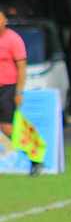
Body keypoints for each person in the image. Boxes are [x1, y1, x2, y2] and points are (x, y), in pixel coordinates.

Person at [0, 8, 27, 141]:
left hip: (8, 88)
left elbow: (21, 67)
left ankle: (29, 155)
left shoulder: (13, 39)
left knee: (7, 126)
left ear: (5, 20)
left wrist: (19, 91)